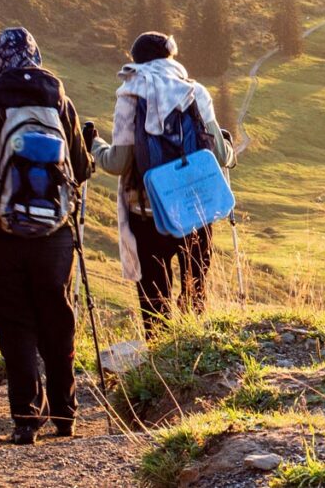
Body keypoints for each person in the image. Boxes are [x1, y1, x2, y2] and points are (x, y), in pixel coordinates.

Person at [0, 27, 92, 445]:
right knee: (57, 317)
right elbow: (80, 171)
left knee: (14, 322)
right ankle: (66, 413)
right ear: (36, 57)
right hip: (55, 236)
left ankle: (26, 418)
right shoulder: (61, 103)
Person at [91, 32, 235, 338]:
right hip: (196, 211)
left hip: (148, 213)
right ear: (170, 58)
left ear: (137, 62)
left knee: (155, 303)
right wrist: (227, 145)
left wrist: (94, 146)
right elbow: (220, 156)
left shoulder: (130, 95)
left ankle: (161, 368)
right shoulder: (195, 91)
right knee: (194, 295)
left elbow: (117, 163)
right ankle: (195, 363)